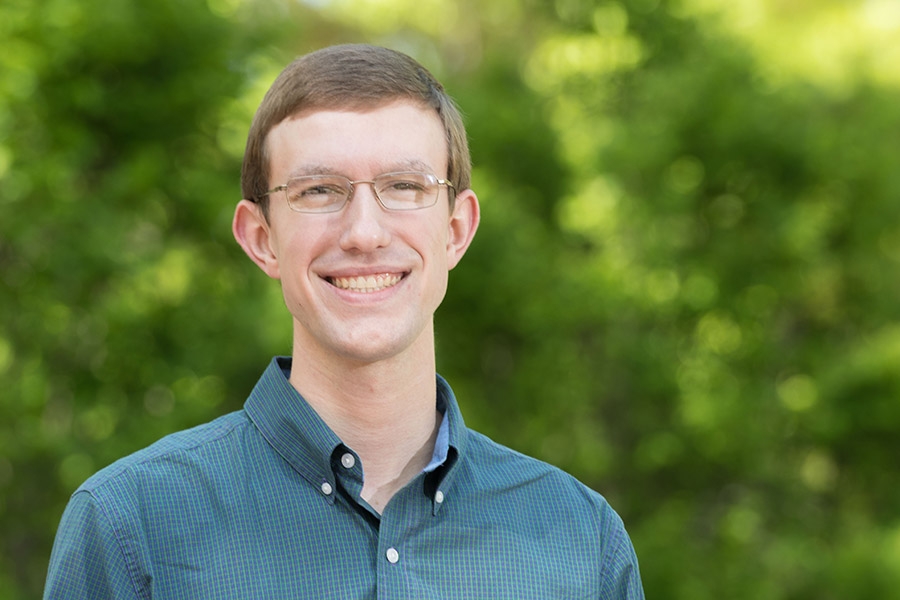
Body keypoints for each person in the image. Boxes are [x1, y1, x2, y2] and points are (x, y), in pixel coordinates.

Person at [44, 44, 644, 598]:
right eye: (319, 191)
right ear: (262, 238)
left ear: (456, 230)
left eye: (405, 186)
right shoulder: (132, 526)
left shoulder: (579, 540)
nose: (363, 233)